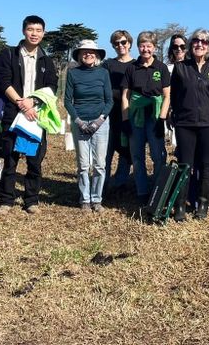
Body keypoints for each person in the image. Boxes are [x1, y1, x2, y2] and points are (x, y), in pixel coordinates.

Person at [0, 15, 59, 214]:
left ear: (43, 33)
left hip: (37, 116)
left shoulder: (47, 59)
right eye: (31, 30)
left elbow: (52, 87)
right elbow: (4, 82)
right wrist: (21, 103)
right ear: (23, 31)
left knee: (34, 161)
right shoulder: (9, 54)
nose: (34, 34)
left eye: (39, 31)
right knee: (10, 159)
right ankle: (6, 200)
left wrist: (34, 103)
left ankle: (31, 200)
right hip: (13, 113)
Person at [169, 29, 209, 221]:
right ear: (191, 45)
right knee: (185, 165)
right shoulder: (181, 67)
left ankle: (202, 206)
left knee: (206, 166)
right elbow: (174, 96)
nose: (200, 44)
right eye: (196, 41)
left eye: (204, 41)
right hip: (185, 123)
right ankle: (181, 206)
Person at [121, 31, 171, 204]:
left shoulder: (161, 68)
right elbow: (125, 96)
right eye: (142, 45)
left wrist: (162, 119)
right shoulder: (132, 68)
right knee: (137, 155)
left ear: (154, 47)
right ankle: (142, 191)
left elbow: (167, 96)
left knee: (158, 155)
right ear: (138, 47)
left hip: (155, 116)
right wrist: (125, 120)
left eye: (149, 46)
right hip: (136, 116)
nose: (145, 49)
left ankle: (157, 190)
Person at [63, 40, 112, 212]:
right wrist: (79, 122)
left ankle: (97, 199)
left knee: (100, 164)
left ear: (97, 55)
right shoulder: (72, 73)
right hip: (80, 122)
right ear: (79, 55)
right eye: (84, 51)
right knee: (83, 164)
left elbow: (109, 101)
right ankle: (84, 199)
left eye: (91, 51)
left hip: (101, 123)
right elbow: (67, 101)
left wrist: (100, 120)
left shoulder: (103, 73)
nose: (88, 54)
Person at [103, 30, 135, 192]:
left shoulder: (136, 65)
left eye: (123, 42)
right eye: (116, 43)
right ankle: (103, 185)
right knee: (106, 152)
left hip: (130, 113)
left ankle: (120, 183)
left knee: (126, 152)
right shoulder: (108, 65)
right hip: (110, 114)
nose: (120, 46)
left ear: (129, 43)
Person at [165, 33, 187, 154]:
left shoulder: (194, 68)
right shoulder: (166, 68)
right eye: (175, 47)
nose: (179, 49)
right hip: (174, 111)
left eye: (182, 46)